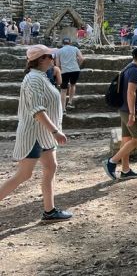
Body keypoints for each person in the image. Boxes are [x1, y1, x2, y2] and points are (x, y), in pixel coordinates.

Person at [0, 45, 72, 222]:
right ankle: (49, 211)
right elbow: (37, 110)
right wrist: (55, 131)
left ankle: (49, 211)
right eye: (50, 55)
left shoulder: (41, 77)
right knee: (24, 174)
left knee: (51, 167)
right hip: (34, 134)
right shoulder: (33, 79)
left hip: (44, 134)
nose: (53, 58)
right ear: (41, 59)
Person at [102, 46, 137, 181]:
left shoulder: (127, 68)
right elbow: (131, 92)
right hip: (129, 110)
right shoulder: (135, 71)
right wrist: (133, 113)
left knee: (127, 139)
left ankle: (125, 170)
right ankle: (111, 162)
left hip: (123, 109)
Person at [56, 37, 84, 112]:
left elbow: (57, 64)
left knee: (63, 90)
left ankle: (63, 109)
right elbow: (81, 58)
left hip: (64, 71)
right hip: (75, 70)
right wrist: (78, 65)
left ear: (63, 43)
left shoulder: (59, 51)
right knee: (72, 85)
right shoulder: (75, 49)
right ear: (70, 42)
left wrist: (60, 70)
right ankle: (70, 102)